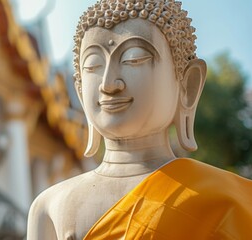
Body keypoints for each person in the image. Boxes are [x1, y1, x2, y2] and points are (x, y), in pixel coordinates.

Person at [27, 0, 252, 239]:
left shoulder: (226, 200)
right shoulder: (50, 206)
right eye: (93, 65)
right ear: (80, 90)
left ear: (188, 85)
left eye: (134, 59)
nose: (108, 84)